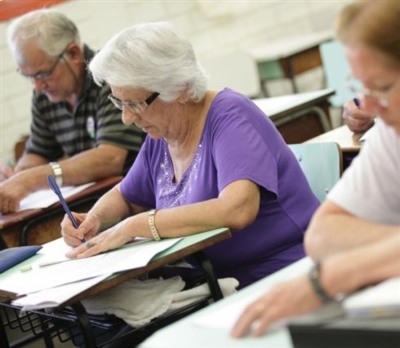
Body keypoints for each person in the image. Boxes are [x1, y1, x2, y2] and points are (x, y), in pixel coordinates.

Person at [60, 21, 320, 290]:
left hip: (286, 273)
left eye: (135, 103)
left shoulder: (230, 116)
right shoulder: (161, 135)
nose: (126, 118)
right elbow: (126, 196)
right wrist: (94, 219)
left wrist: (135, 226)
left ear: (180, 88)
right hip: (215, 284)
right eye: (119, 103)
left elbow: (238, 209)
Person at [231, 0, 400, 338]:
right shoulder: (391, 133)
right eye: (360, 87)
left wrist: (335, 275)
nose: (366, 107)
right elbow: (323, 235)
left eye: (381, 87)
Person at [0, 9, 145, 214]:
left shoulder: (110, 77)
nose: (37, 86)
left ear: (73, 53)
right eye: (29, 77)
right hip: (92, 204)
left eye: (43, 73)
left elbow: (110, 158)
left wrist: (30, 180)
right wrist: (18, 173)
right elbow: (39, 151)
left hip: (139, 199)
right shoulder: (45, 93)